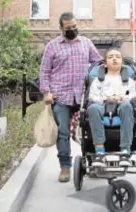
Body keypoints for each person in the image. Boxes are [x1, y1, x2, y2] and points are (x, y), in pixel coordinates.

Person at [39, 12, 102, 183]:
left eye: (74, 27)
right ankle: (65, 167)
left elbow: (98, 64)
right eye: (69, 28)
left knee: (89, 131)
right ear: (61, 28)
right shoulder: (52, 46)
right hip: (60, 96)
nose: (73, 30)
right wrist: (46, 92)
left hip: (83, 96)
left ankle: (92, 163)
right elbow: (44, 71)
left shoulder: (86, 43)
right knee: (63, 132)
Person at [87, 48, 136, 167]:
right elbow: (92, 96)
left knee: (127, 105)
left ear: (122, 62)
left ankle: (125, 150)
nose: (114, 59)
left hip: (122, 107)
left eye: (117, 57)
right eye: (110, 57)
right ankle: (99, 151)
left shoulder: (129, 81)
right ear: (105, 64)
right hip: (102, 106)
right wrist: (106, 99)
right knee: (93, 108)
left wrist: (122, 98)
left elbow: (134, 96)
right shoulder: (97, 81)